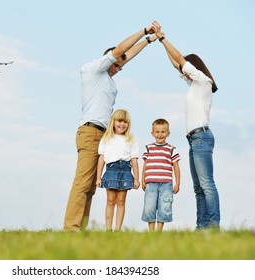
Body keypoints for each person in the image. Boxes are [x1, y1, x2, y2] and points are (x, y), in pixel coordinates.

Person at [64, 24, 157, 232]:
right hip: (89, 131)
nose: (117, 70)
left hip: (104, 136)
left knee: (90, 188)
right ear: (109, 59)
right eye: (115, 65)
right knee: (83, 181)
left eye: (119, 68)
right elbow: (121, 51)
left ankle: (81, 226)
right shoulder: (93, 70)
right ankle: (71, 227)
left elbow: (126, 56)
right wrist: (144, 31)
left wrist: (149, 42)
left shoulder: (110, 83)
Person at [152, 21, 220, 229]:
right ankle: (202, 227)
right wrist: (160, 41)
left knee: (207, 185)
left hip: (202, 137)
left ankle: (213, 225)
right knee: (198, 187)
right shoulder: (193, 84)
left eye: (185, 68)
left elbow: (180, 59)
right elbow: (176, 63)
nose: (182, 71)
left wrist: (164, 38)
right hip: (193, 140)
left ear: (194, 67)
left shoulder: (203, 81)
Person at [96, 109, 140, 232]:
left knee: (121, 201)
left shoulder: (131, 140)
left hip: (125, 170)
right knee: (110, 200)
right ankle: (108, 229)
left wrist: (136, 178)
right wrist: (98, 177)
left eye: (125, 122)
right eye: (119, 121)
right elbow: (101, 159)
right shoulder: (106, 138)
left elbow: (134, 160)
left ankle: (118, 229)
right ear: (113, 122)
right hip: (111, 169)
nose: (122, 124)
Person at [141, 118, 181, 231]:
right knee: (149, 206)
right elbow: (145, 165)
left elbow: (176, 167)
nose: (160, 134)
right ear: (152, 133)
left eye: (163, 132)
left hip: (166, 184)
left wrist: (177, 183)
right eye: (157, 132)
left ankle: (159, 231)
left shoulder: (171, 149)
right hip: (151, 183)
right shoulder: (149, 148)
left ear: (168, 133)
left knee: (164, 207)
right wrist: (143, 180)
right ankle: (151, 231)